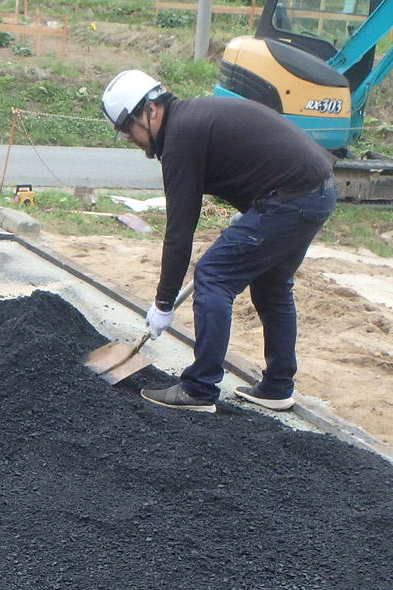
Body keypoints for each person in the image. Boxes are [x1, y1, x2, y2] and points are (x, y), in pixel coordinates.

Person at [100, 70, 337, 413]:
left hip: (292, 197)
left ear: (150, 110)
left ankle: (199, 388)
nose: (131, 139)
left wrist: (164, 303)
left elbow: (179, 232)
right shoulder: (190, 120)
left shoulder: (180, 137)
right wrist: (255, 207)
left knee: (212, 275)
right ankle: (277, 386)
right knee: (272, 286)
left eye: (129, 129)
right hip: (313, 191)